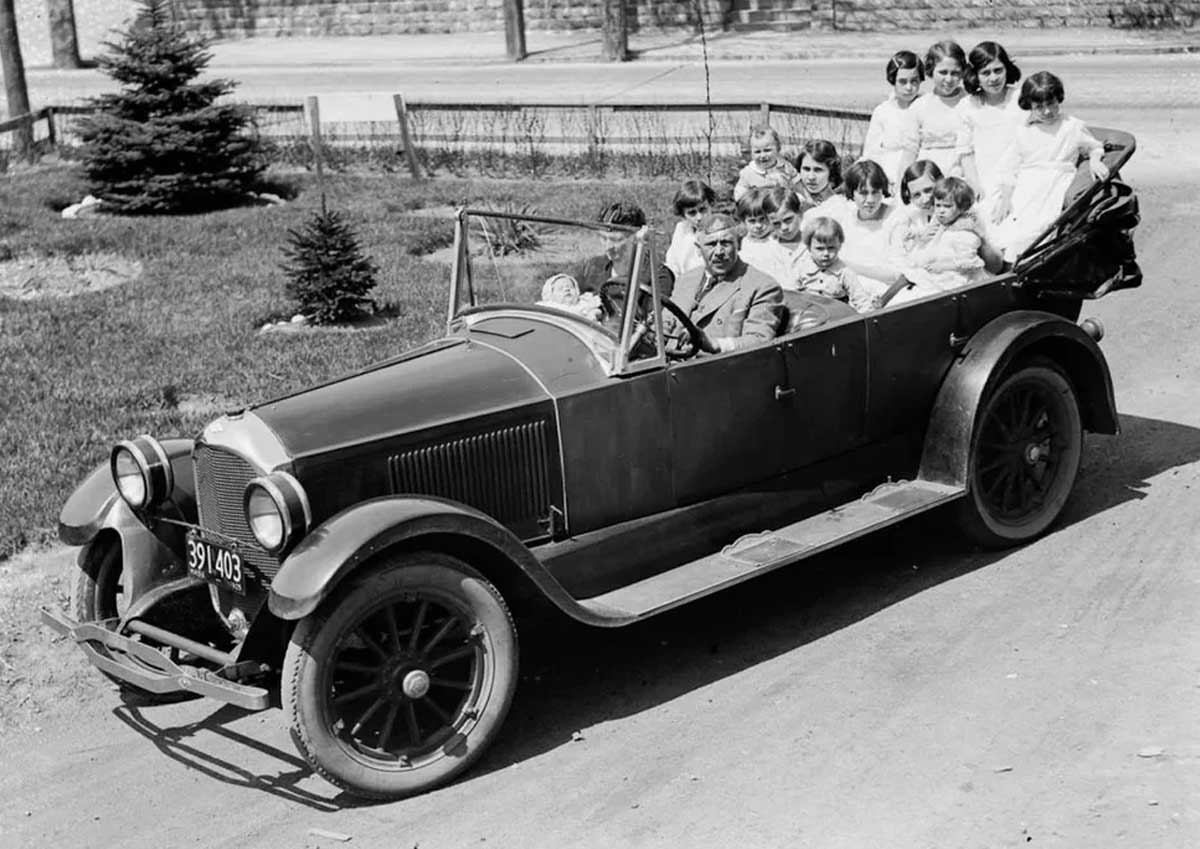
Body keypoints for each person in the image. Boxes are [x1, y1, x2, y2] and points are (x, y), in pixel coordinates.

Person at [989, 71, 1110, 261]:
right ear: (1029, 106)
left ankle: (1023, 262)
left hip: (1055, 183)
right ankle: (1003, 264)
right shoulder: (1024, 131)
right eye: (1039, 106)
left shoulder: (1071, 126)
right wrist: (1005, 197)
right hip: (1026, 185)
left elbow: (1094, 146)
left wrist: (1094, 160)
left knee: (1038, 228)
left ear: (1058, 99)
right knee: (1002, 225)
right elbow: (1009, 167)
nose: (1047, 111)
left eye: (1051, 103)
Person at [662, 211, 783, 356]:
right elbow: (666, 320)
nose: (719, 251)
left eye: (726, 243)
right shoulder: (686, 280)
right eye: (711, 244)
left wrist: (714, 343)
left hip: (715, 368)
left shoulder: (762, 286)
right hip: (669, 363)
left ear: (739, 244)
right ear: (698, 248)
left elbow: (759, 340)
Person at [802, 159, 902, 295]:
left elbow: (896, 274)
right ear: (852, 193)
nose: (871, 200)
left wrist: (846, 266)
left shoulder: (895, 218)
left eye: (875, 192)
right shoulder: (846, 214)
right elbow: (808, 221)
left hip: (880, 291)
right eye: (863, 193)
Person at [957, 41, 1025, 216]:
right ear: (975, 75)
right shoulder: (968, 105)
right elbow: (965, 152)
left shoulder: (1020, 99)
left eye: (998, 70)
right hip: (984, 176)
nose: (993, 78)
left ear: (1007, 69)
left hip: (1020, 173)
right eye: (985, 73)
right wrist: (974, 184)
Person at [575, 200, 672, 308]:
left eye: (616, 240)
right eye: (603, 238)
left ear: (637, 238)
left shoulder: (657, 276)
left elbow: (652, 321)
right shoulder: (592, 267)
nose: (608, 247)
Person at [902, 177, 988, 291]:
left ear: (962, 208)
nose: (941, 210)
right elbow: (930, 233)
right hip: (942, 274)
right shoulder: (943, 222)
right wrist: (915, 234)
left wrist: (943, 266)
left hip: (959, 280)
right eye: (938, 205)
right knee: (909, 275)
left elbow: (972, 263)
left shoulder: (965, 233)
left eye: (947, 206)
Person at [862, 50, 923, 193]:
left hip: (918, 180)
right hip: (887, 181)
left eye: (914, 81)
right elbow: (872, 153)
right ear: (892, 80)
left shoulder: (926, 108)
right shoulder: (882, 112)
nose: (909, 87)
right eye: (902, 81)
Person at [796, 217, 881, 313]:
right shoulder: (802, 269)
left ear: (839, 246)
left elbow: (860, 299)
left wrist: (866, 316)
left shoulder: (844, 273)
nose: (826, 254)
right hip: (811, 316)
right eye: (820, 249)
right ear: (809, 247)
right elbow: (793, 296)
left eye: (831, 248)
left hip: (837, 317)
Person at [911, 40, 969, 177]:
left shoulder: (970, 102)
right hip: (927, 178)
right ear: (931, 70)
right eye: (943, 72)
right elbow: (910, 151)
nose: (949, 79)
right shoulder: (920, 106)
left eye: (955, 73)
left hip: (962, 175)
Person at [758, 186, 810, 290]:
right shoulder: (767, 250)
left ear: (799, 213)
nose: (784, 228)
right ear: (768, 222)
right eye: (776, 224)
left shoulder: (814, 244)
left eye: (788, 219)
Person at [664, 179, 715, 282]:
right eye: (692, 213)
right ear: (683, 215)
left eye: (703, 209)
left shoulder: (720, 231)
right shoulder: (682, 230)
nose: (699, 217)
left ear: (711, 205)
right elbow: (673, 264)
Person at [734, 125, 800, 202]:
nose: (763, 155)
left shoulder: (785, 166)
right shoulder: (748, 172)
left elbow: (797, 182)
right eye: (757, 152)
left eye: (767, 150)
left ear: (778, 148)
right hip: (759, 208)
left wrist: (801, 197)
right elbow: (740, 192)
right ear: (751, 153)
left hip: (782, 205)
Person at [734, 187, 777, 276]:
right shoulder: (745, 244)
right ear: (744, 221)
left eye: (762, 219)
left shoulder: (776, 239)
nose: (758, 226)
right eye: (752, 221)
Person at [794, 139, 842, 208]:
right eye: (806, 169)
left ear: (831, 172)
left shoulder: (839, 205)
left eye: (818, 170)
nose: (811, 177)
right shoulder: (791, 200)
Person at [537, 273, 604, 321]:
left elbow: (597, 310)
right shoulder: (548, 306)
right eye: (560, 288)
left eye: (570, 287)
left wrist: (593, 313)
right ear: (550, 295)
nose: (567, 289)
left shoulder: (583, 303)